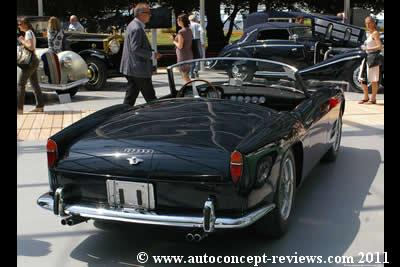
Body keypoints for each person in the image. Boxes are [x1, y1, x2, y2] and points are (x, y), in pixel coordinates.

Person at [120, 2, 161, 106]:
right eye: (148, 13)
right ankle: (160, 119)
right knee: (151, 99)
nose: (150, 15)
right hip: (138, 69)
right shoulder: (136, 28)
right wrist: (152, 55)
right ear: (141, 14)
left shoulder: (133, 25)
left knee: (130, 98)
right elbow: (135, 49)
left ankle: (123, 117)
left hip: (133, 69)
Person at [17, 17, 45, 114]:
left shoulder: (28, 33)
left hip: (29, 62)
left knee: (20, 84)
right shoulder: (30, 32)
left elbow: (31, 47)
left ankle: (19, 109)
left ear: (25, 24)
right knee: (34, 84)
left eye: (20, 24)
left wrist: (22, 40)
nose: (18, 26)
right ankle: (40, 106)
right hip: (33, 61)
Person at [357, 16, 383, 105]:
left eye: (369, 23)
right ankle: (366, 97)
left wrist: (367, 48)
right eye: (366, 23)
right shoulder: (370, 33)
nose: (367, 25)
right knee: (361, 78)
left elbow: (379, 46)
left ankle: (373, 98)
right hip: (367, 57)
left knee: (373, 79)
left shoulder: (375, 33)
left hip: (374, 58)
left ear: (373, 23)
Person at [171, 14, 193, 83]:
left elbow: (180, 46)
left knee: (184, 75)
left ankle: (191, 89)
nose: (177, 21)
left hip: (183, 55)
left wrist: (173, 41)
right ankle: (189, 88)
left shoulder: (181, 32)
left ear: (182, 21)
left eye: (178, 20)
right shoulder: (189, 30)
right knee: (186, 75)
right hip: (189, 54)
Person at [189, 14, 204, 78]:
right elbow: (202, 32)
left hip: (190, 41)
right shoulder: (198, 25)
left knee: (192, 56)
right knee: (199, 56)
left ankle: (191, 72)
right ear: (195, 19)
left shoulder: (188, 25)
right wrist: (202, 41)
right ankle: (196, 70)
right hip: (197, 40)